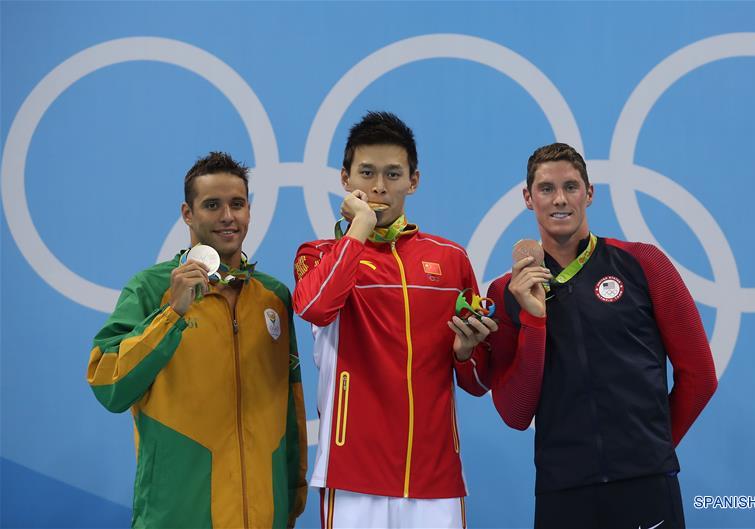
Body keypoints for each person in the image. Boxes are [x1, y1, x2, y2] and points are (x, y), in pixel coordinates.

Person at [486, 143, 718, 528]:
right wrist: (533, 319)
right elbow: (514, 413)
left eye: (571, 187)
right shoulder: (506, 293)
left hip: (645, 485)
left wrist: (648, 452)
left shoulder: (645, 264)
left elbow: (700, 377)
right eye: (545, 189)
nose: (559, 199)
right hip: (562, 492)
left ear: (589, 193)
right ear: (528, 198)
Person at [292, 111, 497, 528]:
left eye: (392, 174)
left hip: (435, 478)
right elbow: (315, 307)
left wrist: (465, 354)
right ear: (345, 179)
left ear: (413, 181)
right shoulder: (318, 255)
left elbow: (477, 383)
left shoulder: (451, 259)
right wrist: (360, 228)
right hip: (352, 474)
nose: (379, 187)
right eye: (366, 173)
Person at [86, 152, 307, 528]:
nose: (227, 216)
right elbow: (109, 385)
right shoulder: (151, 289)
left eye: (237, 204)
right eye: (211, 205)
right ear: (187, 214)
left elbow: (291, 409)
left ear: (249, 211)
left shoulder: (274, 298)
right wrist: (172, 314)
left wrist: (290, 500)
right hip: (177, 517)